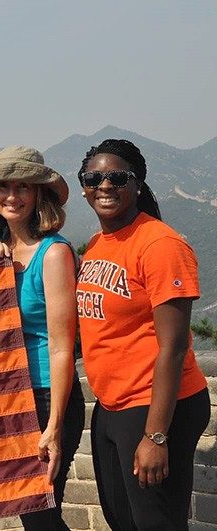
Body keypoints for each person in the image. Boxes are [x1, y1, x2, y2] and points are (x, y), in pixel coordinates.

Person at [76, 139, 209, 530]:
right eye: (93, 178)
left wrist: (156, 436)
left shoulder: (160, 244)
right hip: (112, 405)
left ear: (137, 184)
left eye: (117, 177)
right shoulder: (99, 244)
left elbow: (174, 346)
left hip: (156, 406)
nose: (104, 185)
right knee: (122, 520)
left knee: (157, 523)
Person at [0, 146, 85, 530]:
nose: (12, 196)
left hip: (47, 396)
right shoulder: (1, 252)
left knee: (42, 515)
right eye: (4, 186)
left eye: (23, 187)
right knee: (33, 511)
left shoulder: (53, 254)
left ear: (39, 195)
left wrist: (53, 427)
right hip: (12, 394)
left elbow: (62, 345)